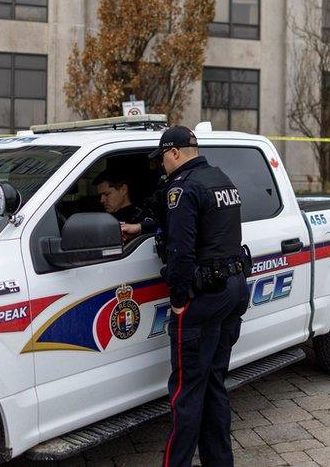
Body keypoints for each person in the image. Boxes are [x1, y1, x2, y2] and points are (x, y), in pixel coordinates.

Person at [122, 126, 250, 467]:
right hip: (233, 290)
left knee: (186, 394)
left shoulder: (182, 187)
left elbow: (180, 250)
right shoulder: (218, 178)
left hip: (203, 299)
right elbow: (199, 221)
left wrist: (179, 299)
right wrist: (143, 227)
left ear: (174, 152)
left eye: (161, 159)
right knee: (213, 385)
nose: (161, 166)